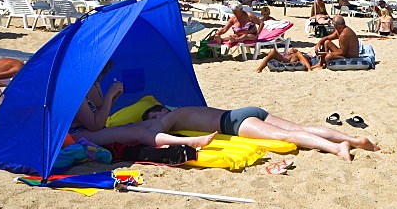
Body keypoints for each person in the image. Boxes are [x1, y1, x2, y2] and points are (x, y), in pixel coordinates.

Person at [140, 104, 379, 162]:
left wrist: (143, 126)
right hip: (245, 110)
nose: (155, 119)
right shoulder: (184, 108)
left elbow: (155, 131)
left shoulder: (172, 115)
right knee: (299, 128)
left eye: (154, 114)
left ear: (163, 109)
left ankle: (338, 147)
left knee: (286, 136)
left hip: (233, 123)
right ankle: (354, 139)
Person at [69, 62, 217, 151]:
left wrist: (114, 97)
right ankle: (188, 142)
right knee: (138, 131)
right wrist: (109, 96)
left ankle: (152, 139)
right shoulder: (76, 93)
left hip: (95, 130)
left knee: (153, 123)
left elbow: (101, 116)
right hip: (81, 135)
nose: (100, 79)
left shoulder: (92, 85)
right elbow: (95, 125)